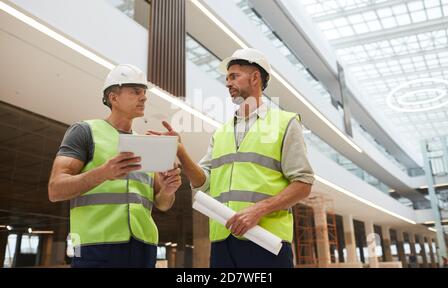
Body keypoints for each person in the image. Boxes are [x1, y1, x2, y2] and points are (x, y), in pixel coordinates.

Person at [148, 48, 315, 268]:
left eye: (234, 76)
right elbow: (204, 182)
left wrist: (258, 210)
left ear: (255, 77)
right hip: (222, 242)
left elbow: (303, 183)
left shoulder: (285, 123)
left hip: (265, 240)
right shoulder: (222, 132)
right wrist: (180, 150)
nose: (228, 83)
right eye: (226, 78)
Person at [48, 64, 182, 268]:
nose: (144, 97)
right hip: (94, 246)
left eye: (144, 93)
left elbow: (163, 204)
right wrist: (104, 173)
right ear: (113, 98)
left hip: (143, 248)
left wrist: (167, 189)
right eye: (135, 92)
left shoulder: (146, 145)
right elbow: (55, 189)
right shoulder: (84, 132)